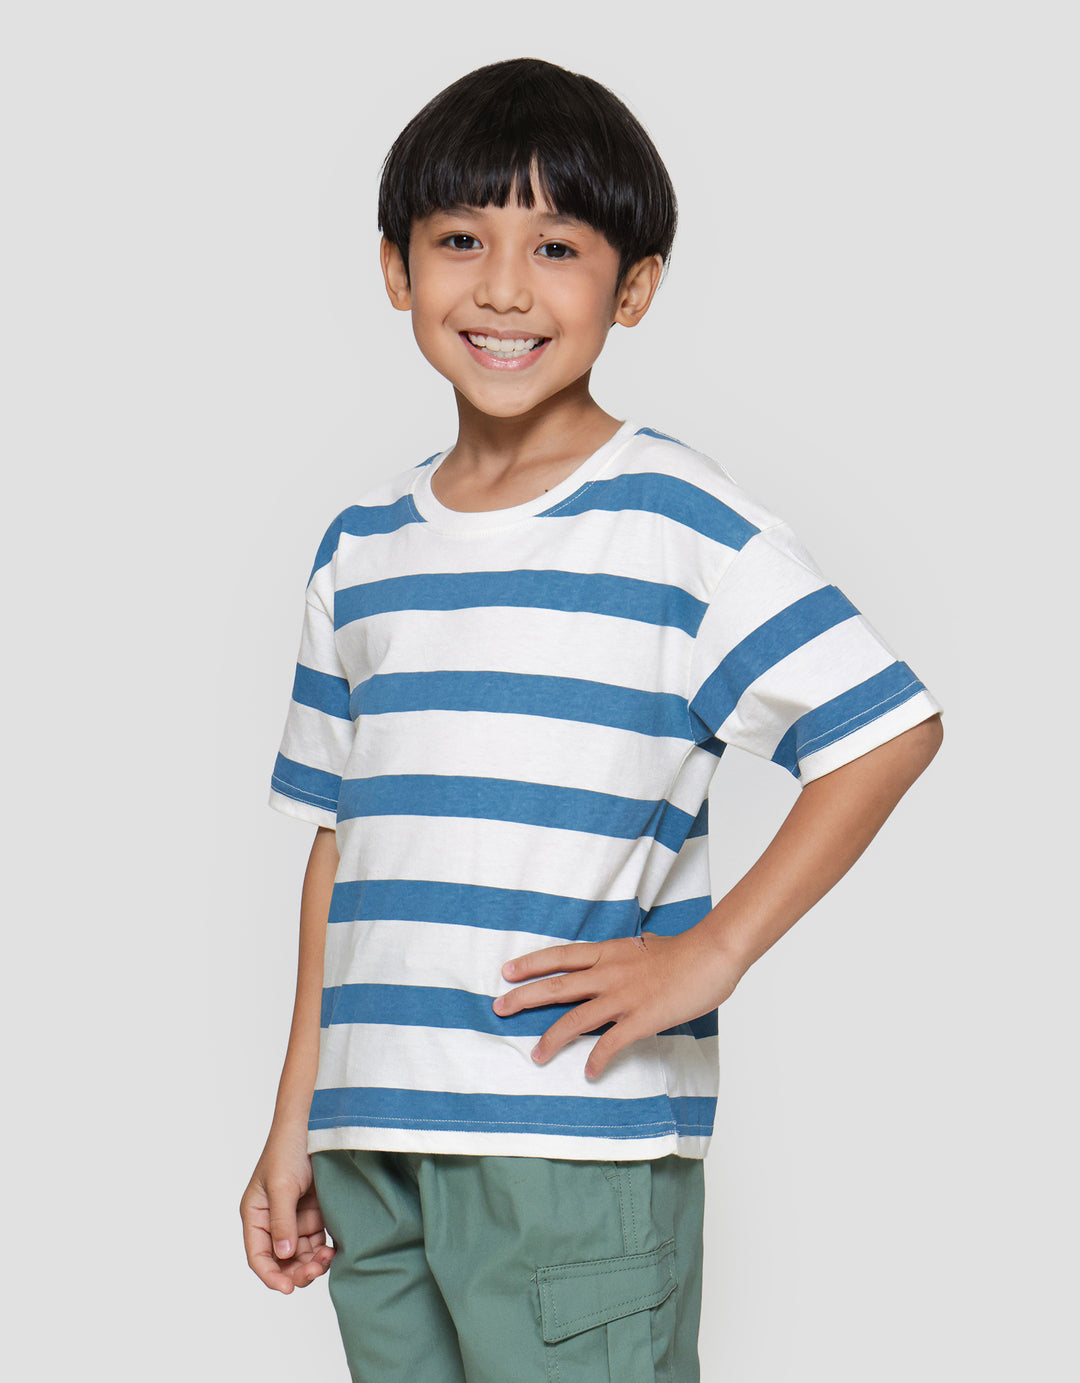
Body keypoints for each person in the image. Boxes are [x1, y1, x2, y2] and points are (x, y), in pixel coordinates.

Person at [240, 55, 944, 1383]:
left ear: (634, 288)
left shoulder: (675, 521)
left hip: (572, 1142)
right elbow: (342, 847)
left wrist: (713, 955)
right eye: (461, 240)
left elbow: (885, 727)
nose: (504, 288)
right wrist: (297, 1120)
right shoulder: (361, 548)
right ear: (395, 268)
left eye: (556, 247)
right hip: (372, 1138)